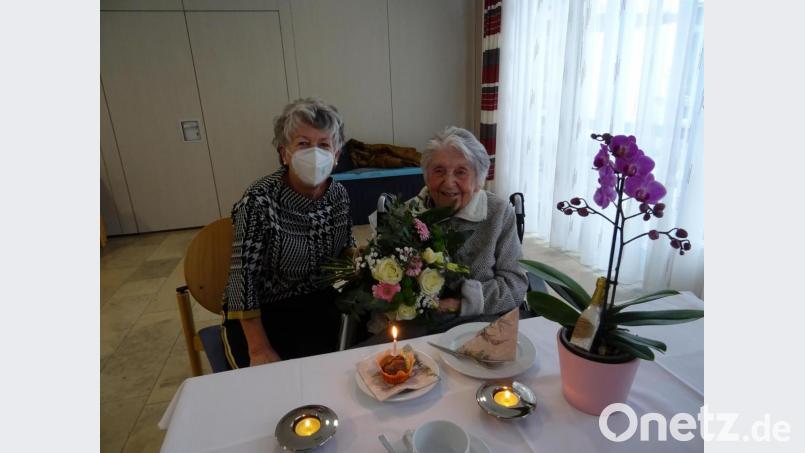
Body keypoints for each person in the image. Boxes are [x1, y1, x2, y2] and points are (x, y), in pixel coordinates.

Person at [359, 126, 528, 341]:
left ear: (479, 179)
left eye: (461, 172)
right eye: (439, 170)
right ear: (426, 176)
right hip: (417, 327)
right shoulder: (404, 215)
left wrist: (461, 303)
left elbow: (515, 284)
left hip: (483, 324)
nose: (449, 183)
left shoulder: (498, 213)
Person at [222, 97, 355, 368]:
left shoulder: (338, 195)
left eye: (324, 145)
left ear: (337, 155)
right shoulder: (259, 200)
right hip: (264, 312)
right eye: (303, 144)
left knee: (352, 365)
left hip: (318, 302)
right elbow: (242, 277)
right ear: (285, 153)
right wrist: (258, 348)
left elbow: (346, 248)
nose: (315, 154)